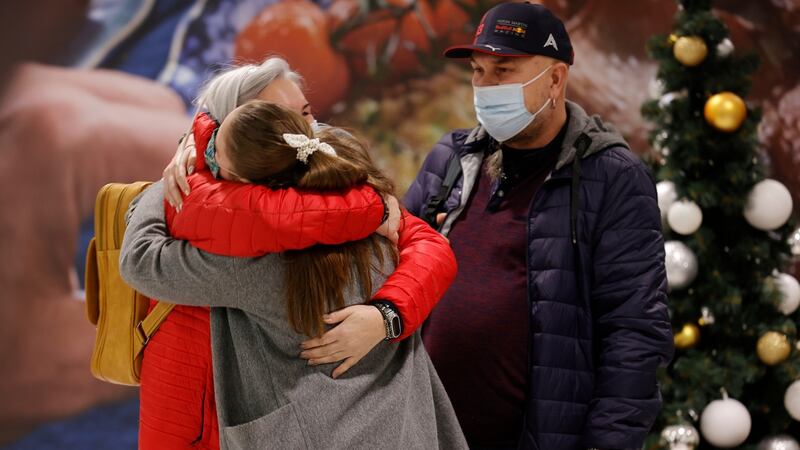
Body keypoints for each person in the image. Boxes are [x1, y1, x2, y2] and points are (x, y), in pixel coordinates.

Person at [142, 56, 455, 450]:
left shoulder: (339, 191)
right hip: (205, 404)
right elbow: (263, 219)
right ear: (239, 135)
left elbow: (430, 247)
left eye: (306, 114)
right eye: (278, 120)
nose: (305, 134)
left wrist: (386, 316)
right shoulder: (360, 198)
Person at [403, 3, 674, 449]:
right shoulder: (450, 158)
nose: (485, 87)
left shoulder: (613, 177)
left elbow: (635, 334)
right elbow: (390, 267)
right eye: (477, 70)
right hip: (425, 432)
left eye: (504, 70)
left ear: (554, 79)